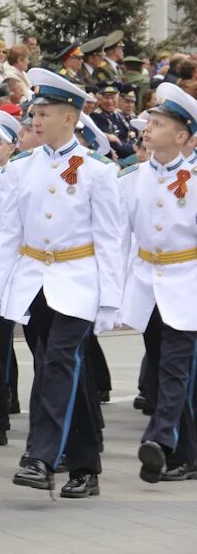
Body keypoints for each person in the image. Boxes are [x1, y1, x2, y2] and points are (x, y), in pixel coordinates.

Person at [0, 67, 123, 498]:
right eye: (34, 113)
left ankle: (39, 458)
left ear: (70, 118)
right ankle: (84, 464)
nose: (35, 121)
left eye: (45, 113)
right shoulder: (20, 170)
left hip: (78, 281)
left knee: (59, 363)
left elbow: (109, 239)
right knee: (59, 368)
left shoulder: (97, 172)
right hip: (32, 280)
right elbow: (8, 235)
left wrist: (110, 301)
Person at [120, 83, 197, 483]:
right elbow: (123, 237)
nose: (148, 129)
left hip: (187, 284)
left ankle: (161, 437)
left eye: (160, 123)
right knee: (162, 365)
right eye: (150, 121)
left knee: (174, 367)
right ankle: (187, 454)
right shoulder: (133, 178)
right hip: (148, 283)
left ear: (182, 136)